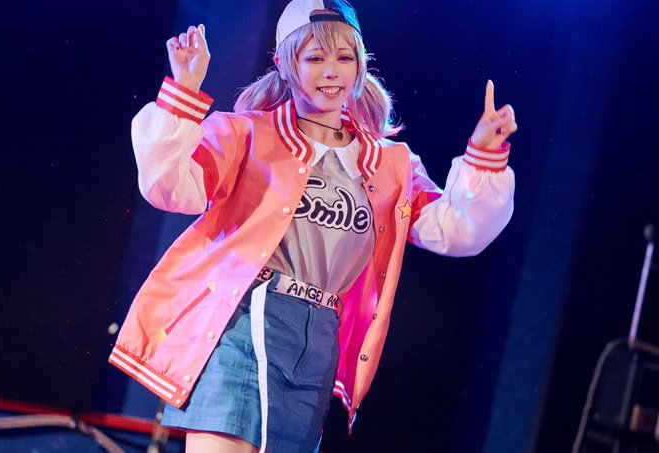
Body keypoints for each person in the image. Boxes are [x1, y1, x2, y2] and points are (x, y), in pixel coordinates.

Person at [109, 1, 517, 452]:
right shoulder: (247, 134)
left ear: (360, 66)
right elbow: (170, 188)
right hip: (244, 319)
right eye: (315, 57)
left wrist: (484, 156)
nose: (332, 71)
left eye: (344, 57)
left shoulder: (390, 164)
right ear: (286, 65)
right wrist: (184, 91)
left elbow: (455, 231)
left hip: (320, 336)